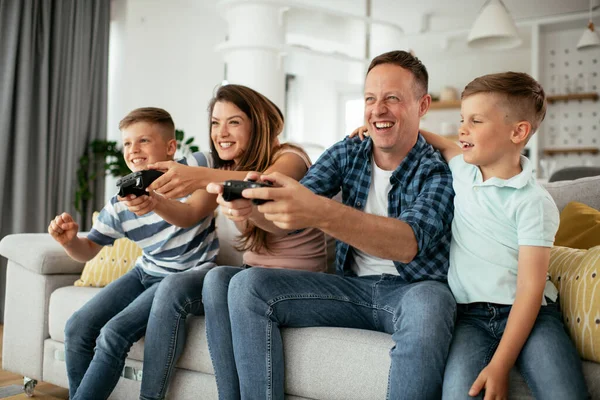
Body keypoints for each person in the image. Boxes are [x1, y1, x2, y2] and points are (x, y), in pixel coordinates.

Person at [215, 50, 456, 399]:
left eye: (392, 98)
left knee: (432, 303)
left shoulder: (437, 170)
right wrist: (248, 212)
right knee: (246, 286)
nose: (378, 109)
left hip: (413, 289)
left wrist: (319, 211)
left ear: (422, 106)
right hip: (352, 288)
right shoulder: (349, 152)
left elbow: (407, 244)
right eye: (370, 99)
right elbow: (290, 219)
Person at [141, 84, 327, 400]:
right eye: (215, 122)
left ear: (257, 124)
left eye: (234, 122)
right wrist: (152, 200)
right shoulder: (226, 168)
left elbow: (262, 191)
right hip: (252, 278)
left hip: (301, 284)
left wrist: (198, 175)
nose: (221, 132)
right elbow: (190, 214)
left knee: (237, 281)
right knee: (205, 280)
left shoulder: (290, 158)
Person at [417, 72, 588, 399]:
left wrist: (499, 365)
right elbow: (441, 142)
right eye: (462, 118)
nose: (462, 128)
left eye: (476, 120)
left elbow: (529, 289)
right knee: (458, 394)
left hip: (533, 314)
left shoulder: (534, 203)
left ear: (518, 131)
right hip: (470, 317)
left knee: (565, 393)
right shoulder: (463, 171)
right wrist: (383, 129)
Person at [48, 107, 219, 400]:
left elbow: (191, 214)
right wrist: (68, 241)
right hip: (146, 271)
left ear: (170, 147)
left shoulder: (196, 167)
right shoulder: (119, 204)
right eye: (127, 143)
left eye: (143, 141)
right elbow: (87, 251)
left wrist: (154, 202)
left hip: (188, 276)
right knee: (77, 327)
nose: (133, 150)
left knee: (114, 332)